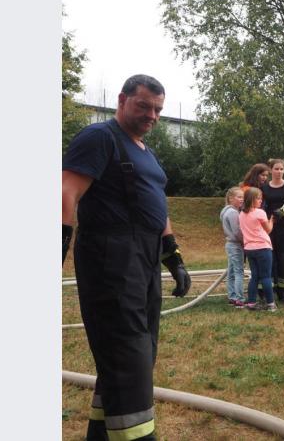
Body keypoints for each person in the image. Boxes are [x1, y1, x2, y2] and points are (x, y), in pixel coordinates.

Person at [62, 74, 191, 441]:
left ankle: (102, 434)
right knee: (128, 353)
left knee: (138, 352)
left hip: (145, 259)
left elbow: (156, 205)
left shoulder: (146, 152)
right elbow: (66, 192)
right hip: (112, 258)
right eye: (144, 106)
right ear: (122, 100)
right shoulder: (101, 138)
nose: (152, 115)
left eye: (158, 110)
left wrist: (173, 256)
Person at [260, 158, 284, 304]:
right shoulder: (264, 188)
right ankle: (266, 290)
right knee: (269, 258)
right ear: (271, 170)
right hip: (269, 226)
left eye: (281, 169)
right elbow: (259, 204)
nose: (279, 172)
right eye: (276, 169)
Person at [239, 187, 277, 311]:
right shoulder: (260, 212)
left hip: (249, 249)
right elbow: (269, 230)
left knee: (254, 276)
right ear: (252, 199)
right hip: (262, 247)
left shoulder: (241, 214)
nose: (261, 201)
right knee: (266, 277)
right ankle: (271, 304)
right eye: (259, 198)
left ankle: (251, 303)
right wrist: (271, 220)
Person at [220, 187, 245, 308]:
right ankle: (239, 299)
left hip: (229, 244)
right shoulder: (234, 213)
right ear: (231, 198)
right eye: (239, 197)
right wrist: (244, 242)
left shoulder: (225, 210)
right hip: (235, 245)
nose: (242, 199)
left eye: (243, 197)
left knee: (231, 272)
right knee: (239, 271)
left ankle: (232, 296)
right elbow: (237, 232)